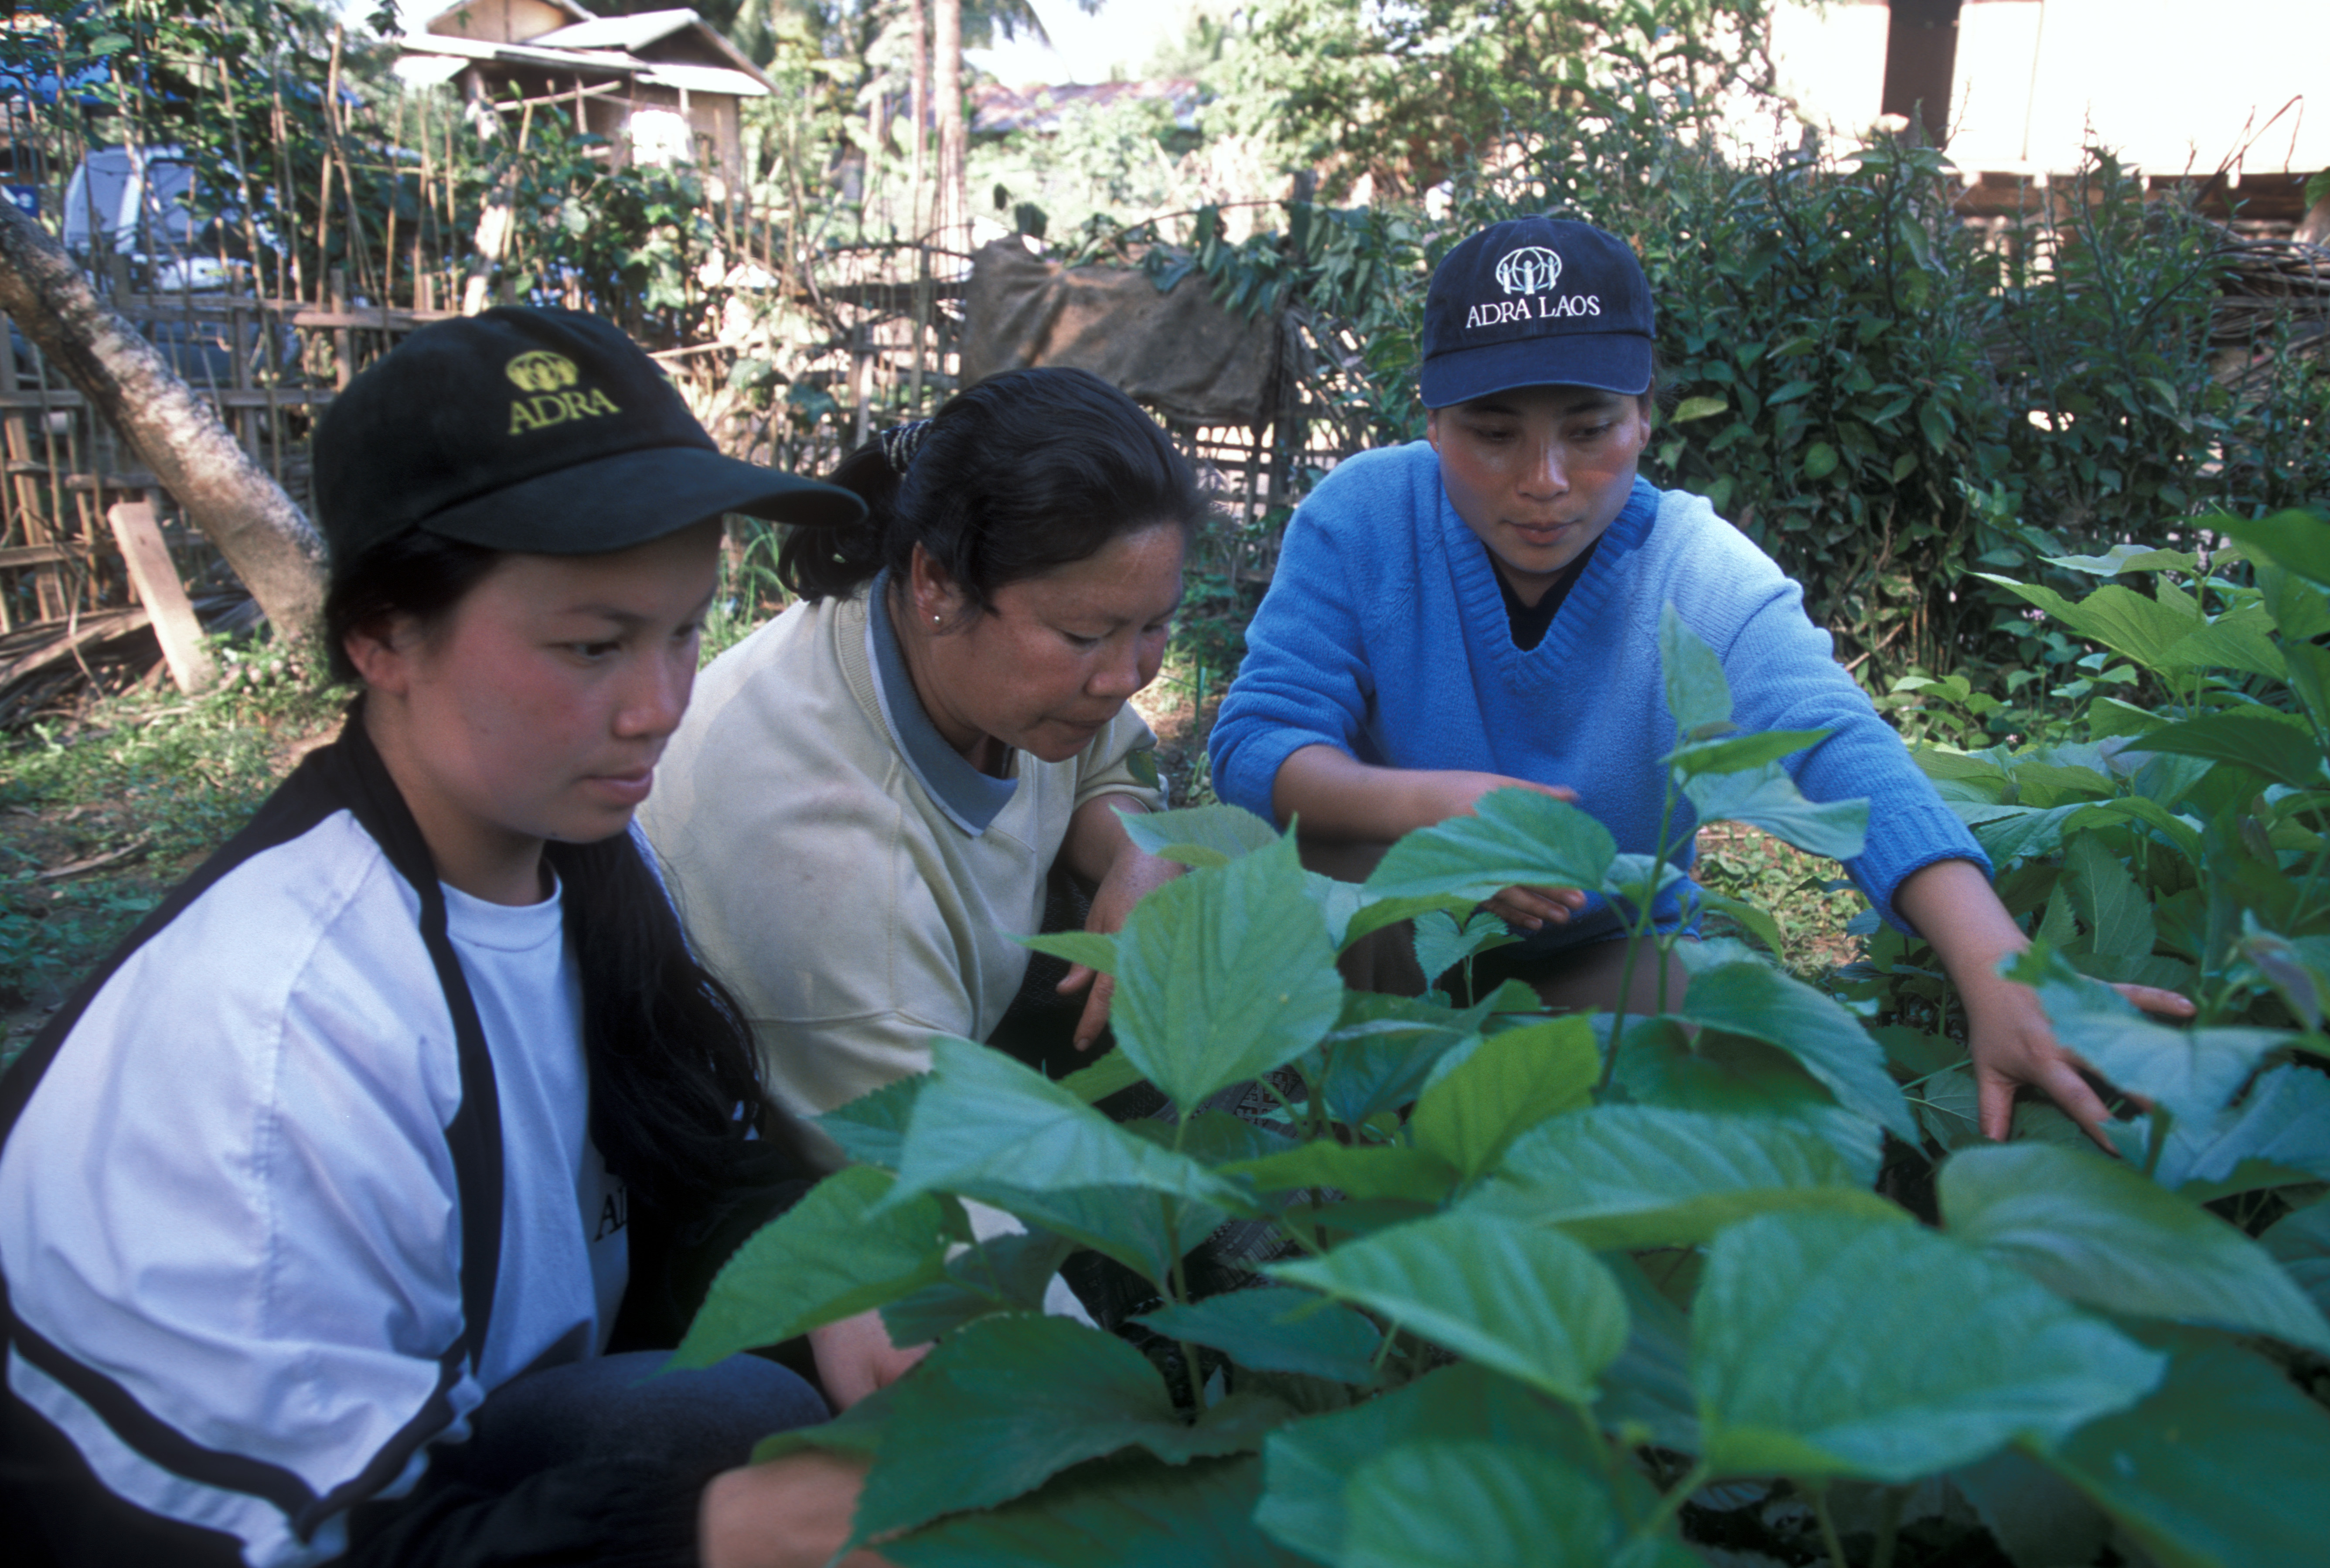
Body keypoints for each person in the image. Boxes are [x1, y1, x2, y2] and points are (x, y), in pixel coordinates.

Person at [0, 308, 910, 1568]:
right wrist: (703, 1532)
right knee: (731, 1443)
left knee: (752, 1397)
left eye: (688, 630)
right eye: (593, 645)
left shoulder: (578, 847)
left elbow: (687, 1138)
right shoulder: (275, 1042)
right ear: (381, 636)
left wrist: (819, 1273)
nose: (661, 707)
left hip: (474, 1432)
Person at [1207, 216, 2193, 1145]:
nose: (1542, 478)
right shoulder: (1360, 519)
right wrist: (1439, 817)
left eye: (1588, 428)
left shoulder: (1697, 566)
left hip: (1589, 952)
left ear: (1644, 419)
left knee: (1764, 1067)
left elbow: (1832, 738)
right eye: (1492, 432)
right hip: (1383, 932)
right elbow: (1255, 747)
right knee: (1360, 892)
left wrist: (1996, 962)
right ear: (1431, 422)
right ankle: (1332, 1162)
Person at [640, 367, 1198, 1128]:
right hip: (822, 1144)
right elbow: (955, 1207)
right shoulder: (833, 875)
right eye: (1084, 635)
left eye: (1156, 626)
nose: (1127, 677)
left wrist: (1144, 856)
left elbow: (1112, 765)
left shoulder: (995, 676)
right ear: (936, 581)